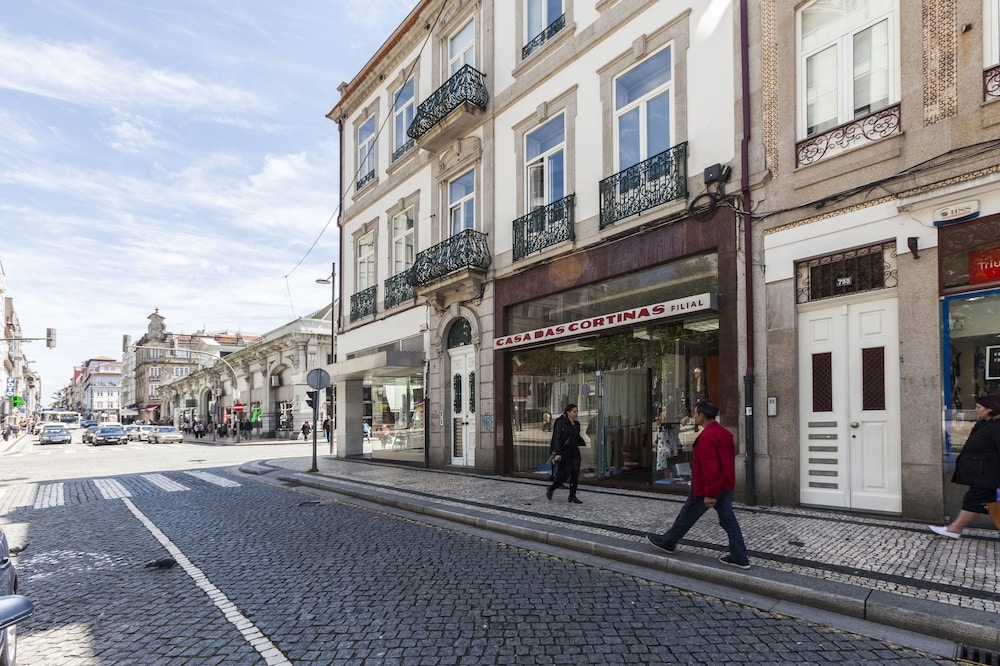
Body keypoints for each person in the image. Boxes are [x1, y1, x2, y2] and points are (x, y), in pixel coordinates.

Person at [646, 400, 751, 569]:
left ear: (702, 415)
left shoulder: (708, 437)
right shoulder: (724, 433)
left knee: (688, 514)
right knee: (728, 520)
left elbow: (711, 468)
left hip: (707, 487)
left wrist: (710, 494)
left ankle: (668, 542)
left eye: (695, 413)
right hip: (723, 485)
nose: (693, 416)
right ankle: (740, 556)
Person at [929, 395, 1000, 539]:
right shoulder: (984, 424)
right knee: (981, 502)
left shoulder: (997, 427)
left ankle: (954, 528)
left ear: (990, 409)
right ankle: (954, 528)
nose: (975, 410)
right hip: (984, 473)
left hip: (990, 475)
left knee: (973, 500)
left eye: (979, 407)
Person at [546, 404, 585, 504]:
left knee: (575, 474)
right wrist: (557, 453)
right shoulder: (561, 424)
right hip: (564, 452)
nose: (576, 413)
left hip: (574, 452)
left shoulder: (577, 424)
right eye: (574, 412)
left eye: (577, 411)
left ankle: (572, 496)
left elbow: (576, 437)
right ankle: (552, 488)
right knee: (566, 474)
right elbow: (557, 439)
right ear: (568, 412)